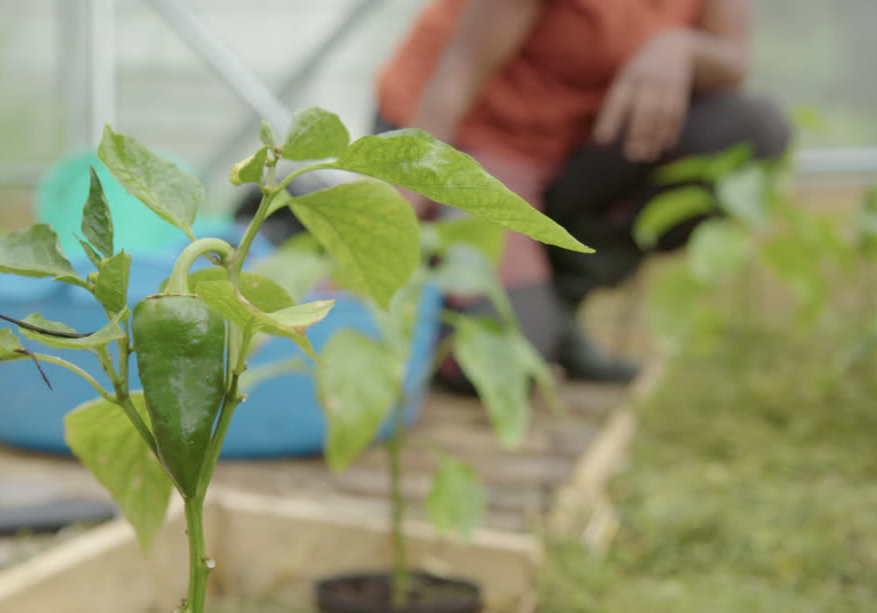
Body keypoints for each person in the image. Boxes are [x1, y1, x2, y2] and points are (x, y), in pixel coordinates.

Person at [238, 0, 791, 385]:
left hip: (567, 149)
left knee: (747, 132)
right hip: (469, 141)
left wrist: (679, 46)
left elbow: (732, 59)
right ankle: (307, 212)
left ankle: (557, 303)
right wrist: (382, 228)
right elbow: (455, 77)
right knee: (500, 366)